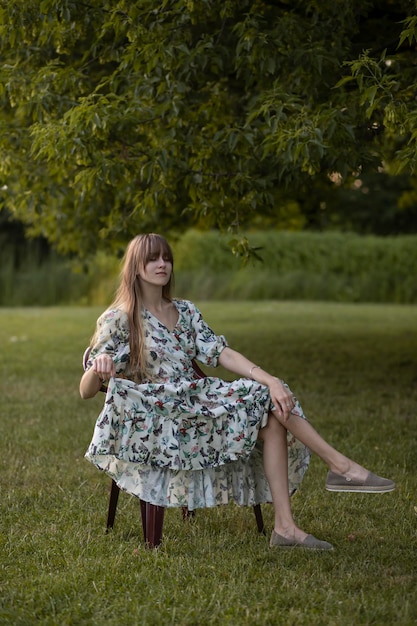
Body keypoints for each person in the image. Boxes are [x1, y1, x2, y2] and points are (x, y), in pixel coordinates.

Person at [80, 233, 395, 550]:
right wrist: (98, 367)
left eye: (166, 257)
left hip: (198, 401)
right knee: (267, 403)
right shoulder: (119, 318)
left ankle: (286, 528)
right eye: (152, 258)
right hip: (161, 416)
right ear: (136, 267)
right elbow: (86, 390)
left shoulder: (185, 311)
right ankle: (341, 467)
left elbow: (221, 353)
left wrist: (269, 377)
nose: (162, 264)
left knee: (270, 407)